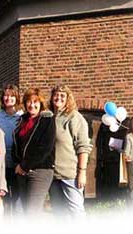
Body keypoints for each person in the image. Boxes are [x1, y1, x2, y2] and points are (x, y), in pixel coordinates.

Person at [49, 85, 92, 219]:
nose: (59, 98)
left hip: (70, 175)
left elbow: (83, 147)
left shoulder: (74, 117)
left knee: (76, 213)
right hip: (52, 175)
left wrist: (82, 172)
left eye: (62, 95)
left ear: (68, 98)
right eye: (56, 95)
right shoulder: (49, 116)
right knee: (58, 214)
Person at [12, 87, 55, 217]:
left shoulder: (47, 119)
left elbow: (45, 148)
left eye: (35, 102)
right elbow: (17, 145)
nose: (32, 105)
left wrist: (24, 165)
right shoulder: (22, 120)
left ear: (40, 103)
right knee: (21, 211)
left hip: (40, 170)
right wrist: (18, 164)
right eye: (29, 102)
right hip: (22, 171)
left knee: (32, 212)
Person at [0, 84, 23, 216]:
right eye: (6, 95)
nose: (8, 98)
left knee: (17, 198)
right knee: (1, 196)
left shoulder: (22, 117)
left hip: (17, 163)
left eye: (12, 95)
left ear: (16, 98)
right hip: (1, 163)